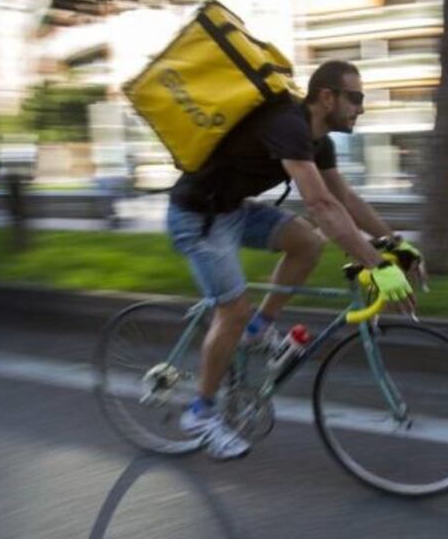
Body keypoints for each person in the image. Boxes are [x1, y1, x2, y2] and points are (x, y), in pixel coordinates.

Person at [167, 60, 424, 460]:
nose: (361, 108)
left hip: (233, 211)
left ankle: (259, 329)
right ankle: (200, 412)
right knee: (231, 311)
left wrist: (393, 242)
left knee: (307, 243)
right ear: (327, 97)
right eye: (355, 98)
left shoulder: (320, 141)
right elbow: (321, 204)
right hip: (197, 217)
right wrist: (376, 264)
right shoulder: (288, 125)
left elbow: (345, 199)